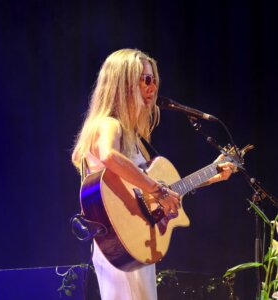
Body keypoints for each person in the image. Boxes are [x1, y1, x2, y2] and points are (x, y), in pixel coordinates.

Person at [71, 48, 234, 300]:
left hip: (139, 241)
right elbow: (108, 156)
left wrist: (212, 174)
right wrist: (157, 189)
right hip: (118, 241)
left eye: (154, 79)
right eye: (145, 79)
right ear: (122, 83)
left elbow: (156, 192)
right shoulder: (108, 124)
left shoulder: (134, 138)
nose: (152, 87)